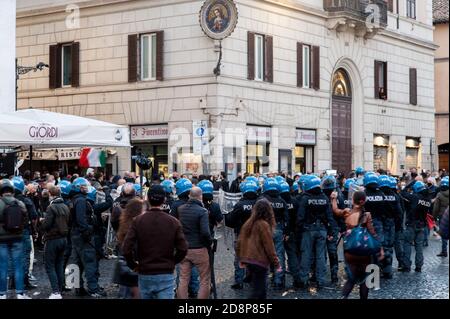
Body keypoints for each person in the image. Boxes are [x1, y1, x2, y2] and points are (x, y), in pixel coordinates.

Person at [122, 185, 187, 299]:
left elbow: (126, 248)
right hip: (165, 273)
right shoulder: (173, 222)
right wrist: (172, 262)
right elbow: (183, 248)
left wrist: (133, 265)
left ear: (147, 199)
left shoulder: (138, 221)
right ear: (164, 200)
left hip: (145, 271)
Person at [331, 191, 384, 299]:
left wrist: (333, 199)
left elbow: (335, 211)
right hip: (364, 251)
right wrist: (380, 248)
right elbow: (372, 232)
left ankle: (343, 297)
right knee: (365, 279)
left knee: (351, 278)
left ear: (353, 200)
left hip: (350, 250)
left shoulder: (347, 212)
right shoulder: (367, 215)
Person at [297, 176, 337, 289]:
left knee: (306, 254)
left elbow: (300, 216)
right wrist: (330, 231)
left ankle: (304, 280)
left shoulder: (305, 198)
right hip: (322, 229)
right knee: (320, 256)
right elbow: (329, 217)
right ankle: (320, 280)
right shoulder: (324, 197)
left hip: (308, 229)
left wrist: (299, 230)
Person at [236, 199, 281, 299]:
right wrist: (276, 263)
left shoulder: (248, 223)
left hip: (249, 261)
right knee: (259, 291)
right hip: (260, 261)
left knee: (258, 289)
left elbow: (239, 242)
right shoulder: (264, 225)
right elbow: (269, 247)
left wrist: (241, 258)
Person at [69, 177, 105, 297]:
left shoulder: (74, 199)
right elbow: (81, 219)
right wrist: (87, 231)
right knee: (90, 261)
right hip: (82, 235)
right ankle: (93, 289)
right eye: (84, 186)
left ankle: (77, 288)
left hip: (75, 234)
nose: (87, 188)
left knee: (76, 262)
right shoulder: (80, 200)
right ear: (79, 187)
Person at [177, 187, 212, 299]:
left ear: (189, 196)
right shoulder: (202, 211)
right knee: (204, 279)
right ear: (200, 196)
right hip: (199, 249)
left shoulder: (181, 209)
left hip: (184, 249)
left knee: (183, 278)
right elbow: (205, 233)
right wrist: (209, 243)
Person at [0, 180, 31, 299]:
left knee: (2, 266)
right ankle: (20, 293)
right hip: (17, 238)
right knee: (18, 265)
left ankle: (2, 293)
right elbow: (25, 219)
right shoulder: (20, 203)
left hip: (2, 239)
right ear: (12, 192)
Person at [226, 180, 259, 290]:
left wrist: (228, 215)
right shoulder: (261, 203)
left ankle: (239, 281)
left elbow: (230, 221)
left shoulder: (240, 204)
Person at [40, 185, 70, 299]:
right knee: (59, 265)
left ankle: (56, 292)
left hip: (52, 239)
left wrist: (42, 221)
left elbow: (47, 225)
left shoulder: (51, 207)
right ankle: (60, 289)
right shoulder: (65, 206)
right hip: (64, 239)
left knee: (50, 266)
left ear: (51, 195)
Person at [260, 177, 289, 289]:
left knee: (263, 255)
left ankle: (263, 281)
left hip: (264, 230)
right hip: (278, 229)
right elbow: (286, 218)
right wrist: (286, 232)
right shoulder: (282, 201)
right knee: (279, 255)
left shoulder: (262, 200)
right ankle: (279, 280)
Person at [12, 177, 38, 290]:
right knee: (26, 256)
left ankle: (13, 282)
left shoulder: (5, 200)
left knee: (12, 256)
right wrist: (35, 231)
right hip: (24, 231)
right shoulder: (26, 200)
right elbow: (34, 217)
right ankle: (24, 282)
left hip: (10, 232)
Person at [400, 181, 432, 272]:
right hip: (422, 225)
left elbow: (403, 193)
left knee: (407, 244)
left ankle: (406, 266)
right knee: (419, 246)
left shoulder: (415, 197)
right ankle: (419, 266)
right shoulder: (428, 200)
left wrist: (410, 183)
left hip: (411, 224)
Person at [115, 198, 143, 299]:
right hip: (133, 266)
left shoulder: (125, 224)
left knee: (125, 293)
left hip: (125, 267)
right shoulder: (136, 226)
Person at [321, 175, 345, 284]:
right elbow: (342, 213)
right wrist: (342, 227)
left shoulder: (322, 197)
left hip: (324, 226)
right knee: (332, 251)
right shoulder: (338, 197)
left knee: (321, 251)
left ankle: (320, 275)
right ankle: (334, 275)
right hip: (333, 227)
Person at [378, 175, 403, 279]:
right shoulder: (395, 195)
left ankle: (380, 268)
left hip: (380, 223)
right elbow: (399, 212)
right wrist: (398, 225)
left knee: (380, 246)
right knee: (389, 247)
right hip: (391, 223)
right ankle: (388, 271)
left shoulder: (379, 195)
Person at [279, 181, 302, 287]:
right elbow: (298, 218)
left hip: (280, 231)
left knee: (279, 255)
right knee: (292, 255)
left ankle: (280, 280)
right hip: (292, 232)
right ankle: (297, 279)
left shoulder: (278, 202)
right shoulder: (295, 201)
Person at [433, 176, 449, 257]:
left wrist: (434, 217)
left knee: (444, 234)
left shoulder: (439, 194)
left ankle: (444, 251)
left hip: (443, 217)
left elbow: (436, 208)